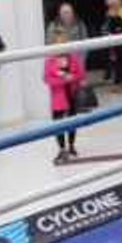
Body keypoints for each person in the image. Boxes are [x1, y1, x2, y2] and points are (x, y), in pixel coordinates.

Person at [43, 30, 86, 164]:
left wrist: (72, 78)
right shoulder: (50, 60)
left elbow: (81, 75)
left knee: (72, 122)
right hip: (58, 97)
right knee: (58, 124)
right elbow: (46, 79)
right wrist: (64, 79)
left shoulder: (74, 58)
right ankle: (62, 149)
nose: (61, 45)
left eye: (64, 42)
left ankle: (72, 145)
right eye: (58, 42)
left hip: (72, 94)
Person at [46, 2, 89, 69]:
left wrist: (80, 61)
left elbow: (86, 44)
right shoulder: (53, 26)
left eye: (67, 12)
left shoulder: (80, 25)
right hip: (60, 63)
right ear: (59, 14)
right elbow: (49, 44)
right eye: (63, 12)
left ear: (72, 13)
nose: (66, 15)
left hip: (77, 63)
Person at [101, 0, 122, 86]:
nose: (118, 4)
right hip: (113, 42)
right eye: (115, 3)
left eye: (118, 2)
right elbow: (106, 28)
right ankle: (117, 83)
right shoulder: (108, 14)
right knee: (115, 62)